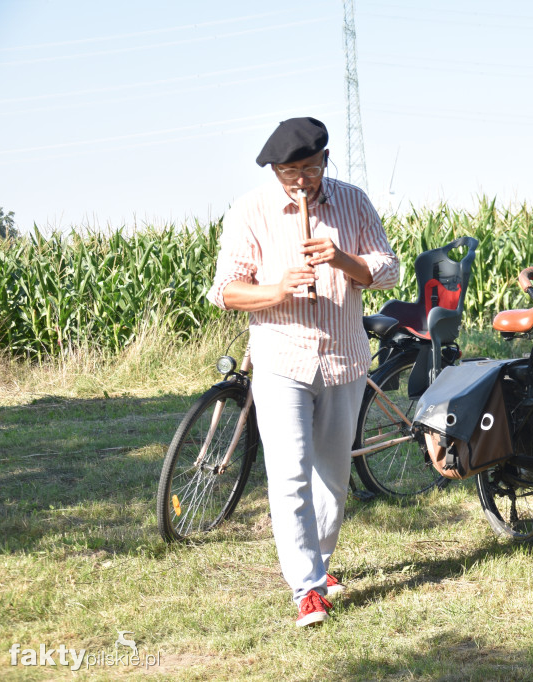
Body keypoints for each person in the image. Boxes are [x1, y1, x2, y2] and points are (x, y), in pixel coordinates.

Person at [207, 117, 399, 627]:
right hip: (281, 359)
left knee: (332, 479)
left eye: (308, 170)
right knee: (290, 473)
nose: (299, 182)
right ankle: (307, 588)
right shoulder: (251, 210)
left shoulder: (353, 202)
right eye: (288, 172)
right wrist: (277, 290)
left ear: (326, 161)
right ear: (274, 170)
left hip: (344, 358)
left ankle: (322, 564)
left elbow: (388, 268)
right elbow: (225, 290)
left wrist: (344, 260)